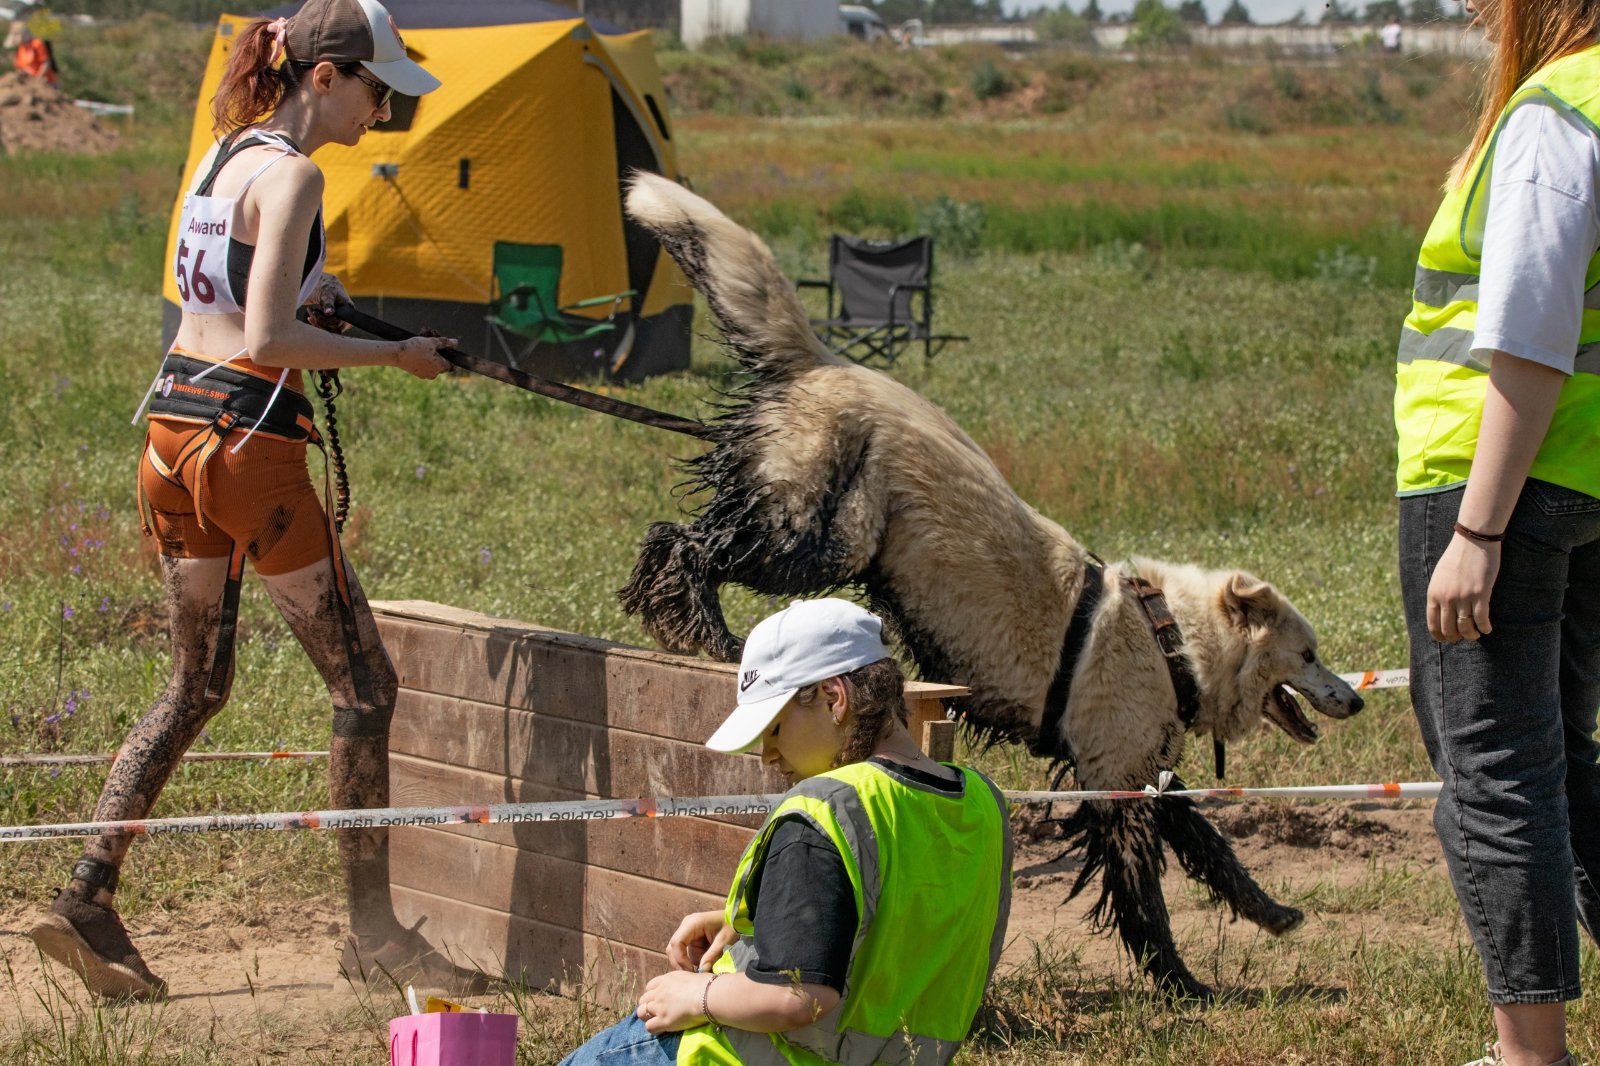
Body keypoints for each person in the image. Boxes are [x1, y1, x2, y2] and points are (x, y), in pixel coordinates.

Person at [29, 0, 464, 1000]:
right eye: (376, 91)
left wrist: (323, 299)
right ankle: (372, 937)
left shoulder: (226, 155)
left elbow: (226, 298)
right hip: (246, 450)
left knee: (195, 685)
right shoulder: (299, 174)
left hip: (171, 437)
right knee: (365, 687)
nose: (382, 112)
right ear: (325, 77)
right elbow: (267, 340)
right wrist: (397, 354)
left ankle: (88, 894)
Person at [1394, 0, 1600, 1060]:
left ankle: (1530, 1052)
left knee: (1496, 772)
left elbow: (1528, 332)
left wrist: (1476, 530)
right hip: (1587, 482)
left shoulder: (1557, 110)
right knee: (1563, 760)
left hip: (1497, 482)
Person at [561, 598, 1012, 1066]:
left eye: (774, 729)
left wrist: (697, 994)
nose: (768, 757)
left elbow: (798, 997)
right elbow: (908, 921)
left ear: (834, 698)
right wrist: (776, 917)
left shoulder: (826, 809)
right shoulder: (982, 803)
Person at [7, 21, 57, 85]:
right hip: (30, 83)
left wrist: (38, 78)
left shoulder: (37, 44)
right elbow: (21, 67)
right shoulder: (21, 48)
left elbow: (45, 63)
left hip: (46, 83)